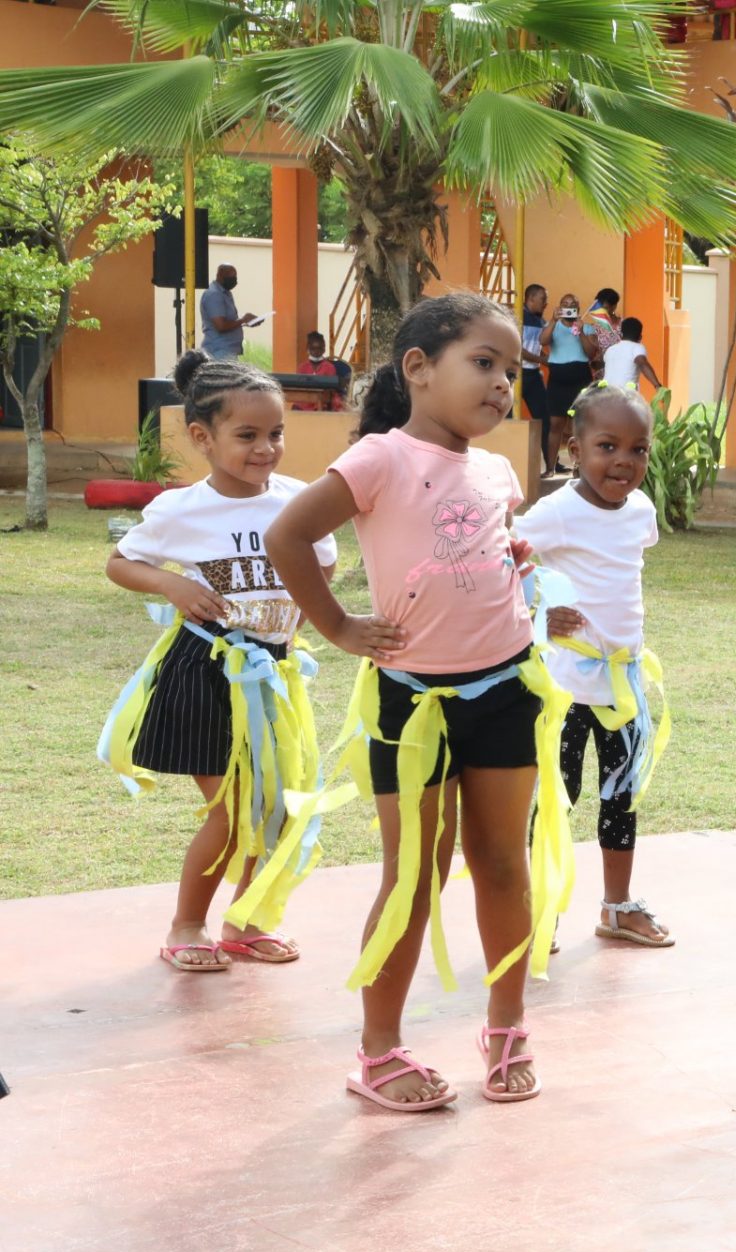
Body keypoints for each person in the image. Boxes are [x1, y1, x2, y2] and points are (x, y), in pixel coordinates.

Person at [266, 292, 570, 1111]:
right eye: (484, 363)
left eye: (513, 370)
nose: (503, 384)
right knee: (417, 876)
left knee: (503, 866)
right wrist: (335, 625)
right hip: (414, 705)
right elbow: (289, 536)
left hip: (506, 690)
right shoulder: (377, 459)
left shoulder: (498, 470)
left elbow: (484, 551)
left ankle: (506, 1026)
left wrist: (518, 568)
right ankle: (378, 1051)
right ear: (418, 369)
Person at [102, 351, 335, 972]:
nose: (267, 449)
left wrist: (299, 618)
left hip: (274, 679)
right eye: (248, 435)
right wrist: (173, 587)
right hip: (205, 672)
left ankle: (246, 922)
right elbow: (121, 562)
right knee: (234, 813)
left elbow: (327, 558)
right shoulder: (182, 509)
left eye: (277, 433)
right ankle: (186, 926)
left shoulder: (299, 499)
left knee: (278, 810)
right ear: (202, 438)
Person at [516, 383, 674, 947]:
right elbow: (502, 557)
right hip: (564, 685)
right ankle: (537, 911)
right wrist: (538, 606)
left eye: (638, 449)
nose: (623, 462)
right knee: (557, 799)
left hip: (622, 685)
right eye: (608, 446)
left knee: (621, 794)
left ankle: (617, 906)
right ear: (574, 448)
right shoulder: (556, 512)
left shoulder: (641, 511)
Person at [540, 292, 596, 476]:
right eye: (565, 304)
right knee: (555, 423)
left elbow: (591, 354)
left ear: (578, 309)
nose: (568, 308)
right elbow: (543, 341)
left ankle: (579, 467)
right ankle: (550, 468)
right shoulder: (553, 325)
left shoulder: (586, 328)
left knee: (579, 424)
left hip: (580, 378)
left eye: (572, 305)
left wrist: (580, 332)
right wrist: (553, 320)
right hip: (558, 380)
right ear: (560, 307)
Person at [197, 262, 257, 361]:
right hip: (219, 352)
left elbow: (229, 321)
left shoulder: (225, 293)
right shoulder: (214, 295)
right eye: (231, 277)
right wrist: (242, 320)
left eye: (235, 277)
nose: (234, 280)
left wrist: (247, 321)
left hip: (227, 352)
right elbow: (221, 326)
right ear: (220, 275)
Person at [519, 283, 550, 449]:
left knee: (545, 420)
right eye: (543, 299)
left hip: (534, 375)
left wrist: (545, 358)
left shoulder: (541, 321)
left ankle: (551, 462)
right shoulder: (518, 317)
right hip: (517, 375)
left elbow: (535, 348)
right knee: (508, 418)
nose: (545, 303)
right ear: (530, 298)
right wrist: (542, 360)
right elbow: (519, 349)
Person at [602, 317, 663, 394]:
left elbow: (610, 364)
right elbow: (642, 363)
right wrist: (657, 385)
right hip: (624, 395)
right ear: (640, 337)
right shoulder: (637, 347)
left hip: (605, 394)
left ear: (621, 335)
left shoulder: (610, 349)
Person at [295, 331, 347, 411]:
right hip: (305, 402)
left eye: (319, 348)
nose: (316, 352)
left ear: (324, 349)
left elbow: (331, 389)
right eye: (313, 348)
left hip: (323, 402)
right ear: (308, 349)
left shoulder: (329, 367)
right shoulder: (302, 367)